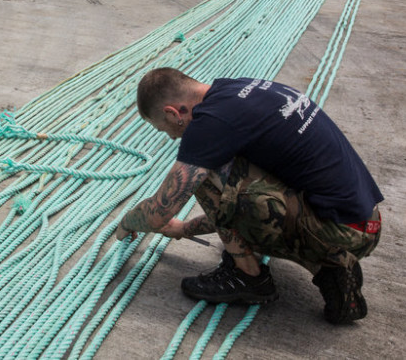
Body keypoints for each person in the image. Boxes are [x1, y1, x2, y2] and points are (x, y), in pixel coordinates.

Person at [116, 68, 384, 324]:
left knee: (200, 172)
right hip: (363, 222)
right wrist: (185, 229)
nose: (173, 137)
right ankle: (330, 269)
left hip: (339, 231)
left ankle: (248, 276)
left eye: (166, 129)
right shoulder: (235, 89)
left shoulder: (208, 126)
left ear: (173, 113)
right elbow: (232, 210)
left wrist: (127, 222)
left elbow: (161, 210)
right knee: (224, 169)